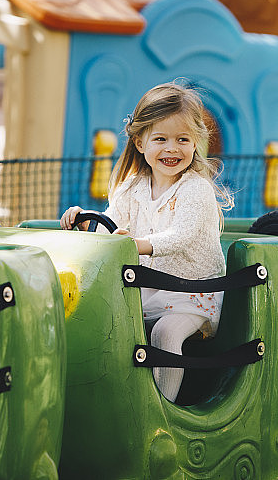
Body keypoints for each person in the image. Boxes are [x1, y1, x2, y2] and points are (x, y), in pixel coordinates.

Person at [61, 81, 233, 402]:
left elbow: (178, 237)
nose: (172, 148)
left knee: (165, 332)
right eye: (161, 139)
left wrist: (136, 244)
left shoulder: (195, 189)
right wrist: (86, 222)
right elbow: (110, 229)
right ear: (140, 143)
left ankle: (160, 408)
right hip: (148, 291)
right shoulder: (132, 188)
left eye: (183, 139)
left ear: (195, 143)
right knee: (100, 318)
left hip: (193, 293)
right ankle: (106, 397)